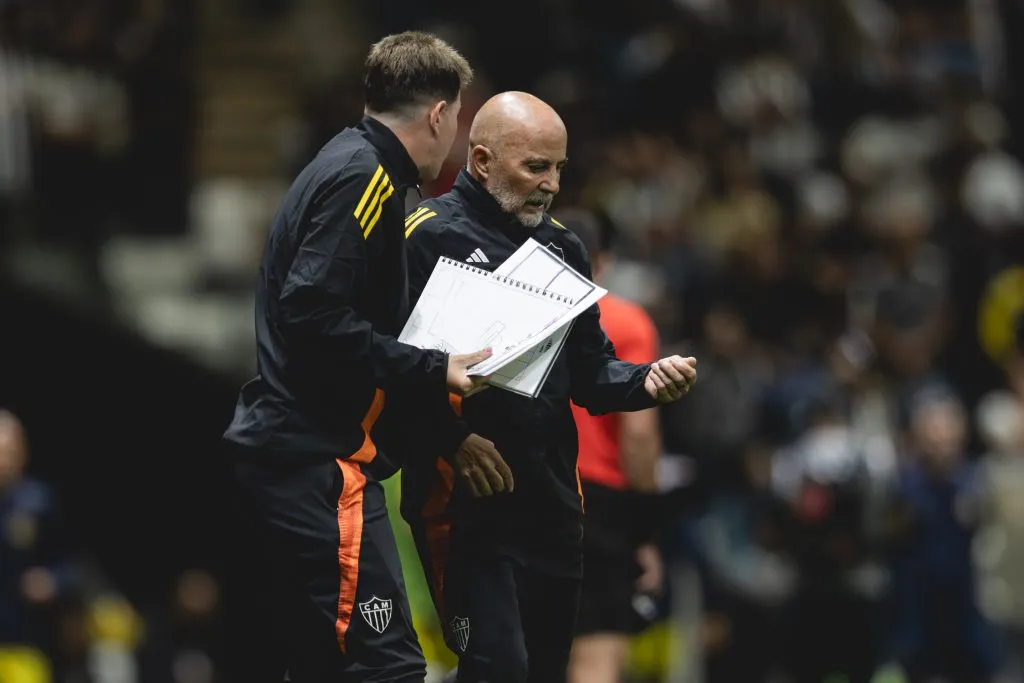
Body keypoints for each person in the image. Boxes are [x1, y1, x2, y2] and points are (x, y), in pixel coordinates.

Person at [221, 32, 512, 683]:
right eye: (460, 119)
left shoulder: (346, 161)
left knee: (319, 666)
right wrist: (434, 367)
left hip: (297, 459)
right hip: (319, 468)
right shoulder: (368, 177)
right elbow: (313, 312)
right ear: (439, 114)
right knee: (388, 669)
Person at [399, 91, 697, 683]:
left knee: (542, 671)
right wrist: (452, 438)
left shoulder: (564, 247)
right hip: (463, 505)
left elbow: (592, 375)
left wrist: (645, 382)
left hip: (554, 506)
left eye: (560, 167)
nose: (553, 184)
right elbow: (384, 368)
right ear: (481, 162)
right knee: (496, 668)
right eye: (537, 166)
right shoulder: (423, 238)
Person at [557, 210, 665, 683]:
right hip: (596, 504)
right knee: (596, 660)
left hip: (519, 491)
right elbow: (638, 435)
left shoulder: (510, 314)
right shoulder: (624, 321)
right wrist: (643, 528)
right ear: (602, 260)